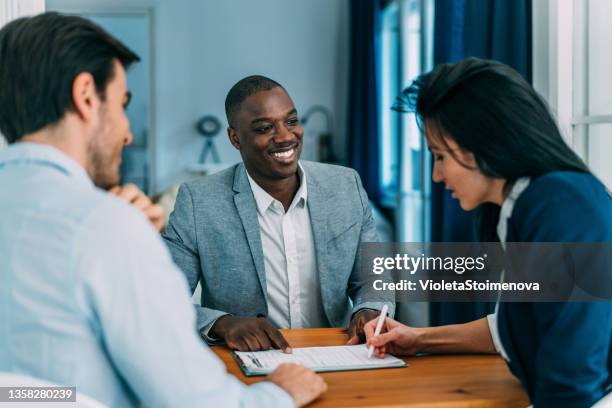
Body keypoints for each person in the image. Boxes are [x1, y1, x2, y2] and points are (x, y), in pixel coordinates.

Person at [0, 12, 326, 407]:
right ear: (86, 96)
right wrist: (281, 393)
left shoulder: (105, 225)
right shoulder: (112, 225)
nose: (128, 132)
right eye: (121, 104)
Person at [364, 58, 612, 407]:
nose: (436, 176)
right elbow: (524, 321)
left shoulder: (560, 203)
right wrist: (419, 338)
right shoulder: (522, 204)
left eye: (439, 156)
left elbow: (575, 368)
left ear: (479, 146)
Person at [162, 75, 394, 351]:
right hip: (250, 362)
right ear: (235, 138)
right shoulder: (198, 201)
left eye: (291, 121)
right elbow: (164, 300)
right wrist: (223, 323)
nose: (285, 136)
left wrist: (369, 310)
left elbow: (373, 277)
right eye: (264, 128)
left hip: (340, 352)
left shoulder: (345, 185)